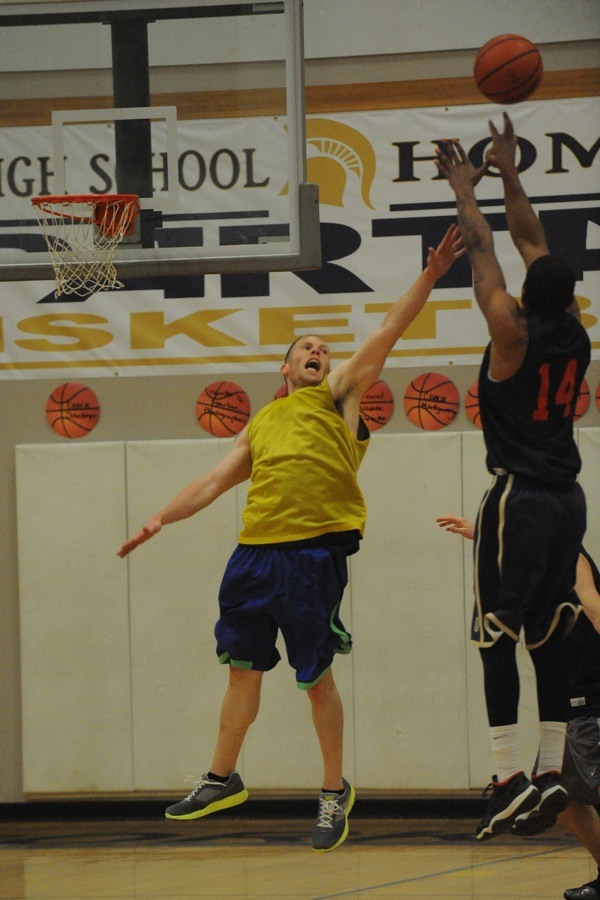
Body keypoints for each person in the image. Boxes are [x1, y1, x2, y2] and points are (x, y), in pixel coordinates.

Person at [117, 224, 464, 853]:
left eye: (325, 349)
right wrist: (161, 518)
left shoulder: (338, 396)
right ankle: (222, 777)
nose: (319, 353)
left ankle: (333, 790)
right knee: (241, 675)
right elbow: (213, 482)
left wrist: (431, 275)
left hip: (313, 554)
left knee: (315, 680)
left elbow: (388, 328)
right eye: (307, 347)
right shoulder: (262, 421)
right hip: (252, 556)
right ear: (283, 366)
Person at [435, 113, 591, 842]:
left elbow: (486, 246)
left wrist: (467, 188)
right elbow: (531, 238)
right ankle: (553, 769)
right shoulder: (576, 329)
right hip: (570, 500)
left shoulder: (511, 328)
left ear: (533, 290)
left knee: (495, 632)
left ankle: (505, 779)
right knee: (550, 634)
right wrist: (509, 172)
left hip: (521, 495)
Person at [437, 515, 600, 900]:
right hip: (570, 697)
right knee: (560, 795)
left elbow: (592, 605)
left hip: (591, 694)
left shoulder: (568, 555)